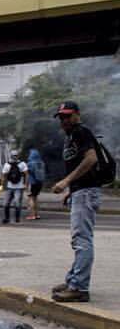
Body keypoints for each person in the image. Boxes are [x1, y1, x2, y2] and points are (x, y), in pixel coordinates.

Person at [51, 101, 102, 303]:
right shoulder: (72, 136)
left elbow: (91, 159)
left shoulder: (82, 132)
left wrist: (66, 182)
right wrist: (71, 190)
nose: (64, 120)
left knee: (82, 240)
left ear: (77, 115)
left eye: (68, 115)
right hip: (80, 191)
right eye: (61, 117)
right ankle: (73, 280)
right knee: (79, 239)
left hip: (86, 192)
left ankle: (79, 287)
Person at [0, 149, 29, 224]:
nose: (14, 157)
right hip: (10, 187)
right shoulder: (7, 164)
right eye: (14, 155)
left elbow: (26, 174)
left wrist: (26, 184)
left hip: (19, 187)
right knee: (6, 203)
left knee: (16, 203)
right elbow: (4, 176)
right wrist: (3, 185)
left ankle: (17, 218)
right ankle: (7, 218)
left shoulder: (22, 164)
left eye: (15, 155)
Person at [26, 147, 46, 220]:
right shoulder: (42, 163)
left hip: (33, 182)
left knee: (31, 198)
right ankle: (37, 214)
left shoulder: (30, 163)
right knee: (36, 198)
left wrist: (26, 184)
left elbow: (27, 175)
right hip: (40, 182)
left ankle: (32, 215)